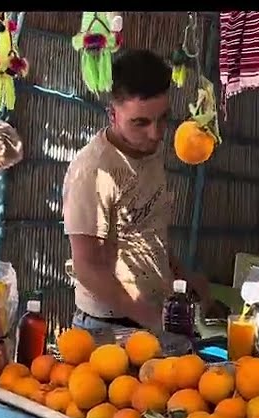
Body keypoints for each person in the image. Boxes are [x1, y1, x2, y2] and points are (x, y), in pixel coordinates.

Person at [62, 49, 221, 335]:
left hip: (153, 319)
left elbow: (146, 229)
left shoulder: (150, 152)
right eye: (140, 123)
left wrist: (184, 278)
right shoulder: (93, 171)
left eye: (162, 119)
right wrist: (149, 317)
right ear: (112, 115)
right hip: (108, 329)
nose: (156, 133)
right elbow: (87, 267)